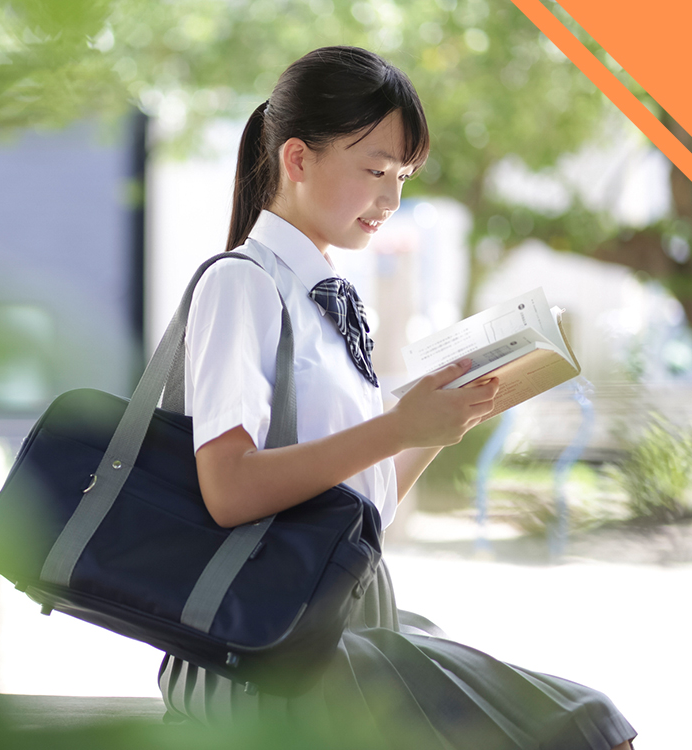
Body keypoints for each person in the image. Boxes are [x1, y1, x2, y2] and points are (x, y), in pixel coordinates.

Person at [157, 46, 636, 750]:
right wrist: (398, 426)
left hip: (339, 624)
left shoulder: (327, 302)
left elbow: (360, 510)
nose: (392, 200)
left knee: (581, 723)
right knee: (587, 725)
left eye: (403, 176)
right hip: (267, 648)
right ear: (297, 159)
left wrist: (442, 425)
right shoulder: (242, 284)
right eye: (376, 171)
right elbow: (227, 489)